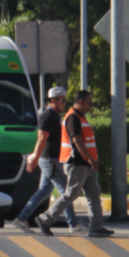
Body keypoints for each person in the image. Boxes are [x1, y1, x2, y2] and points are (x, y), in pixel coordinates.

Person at [35, 90, 112, 238]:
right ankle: (46, 218)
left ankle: (96, 227)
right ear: (81, 102)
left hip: (86, 164)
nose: (91, 106)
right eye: (90, 103)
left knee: (94, 195)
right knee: (71, 194)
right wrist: (90, 159)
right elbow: (76, 140)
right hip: (77, 162)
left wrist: (91, 161)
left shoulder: (81, 118)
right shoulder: (72, 118)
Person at [9, 86, 80, 233]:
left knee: (44, 191)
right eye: (62, 101)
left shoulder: (54, 115)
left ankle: (21, 219)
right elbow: (41, 138)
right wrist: (35, 158)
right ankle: (73, 225)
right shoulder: (48, 116)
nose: (65, 103)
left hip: (50, 159)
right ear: (53, 100)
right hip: (49, 160)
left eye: (66, 101)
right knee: (66, 193)